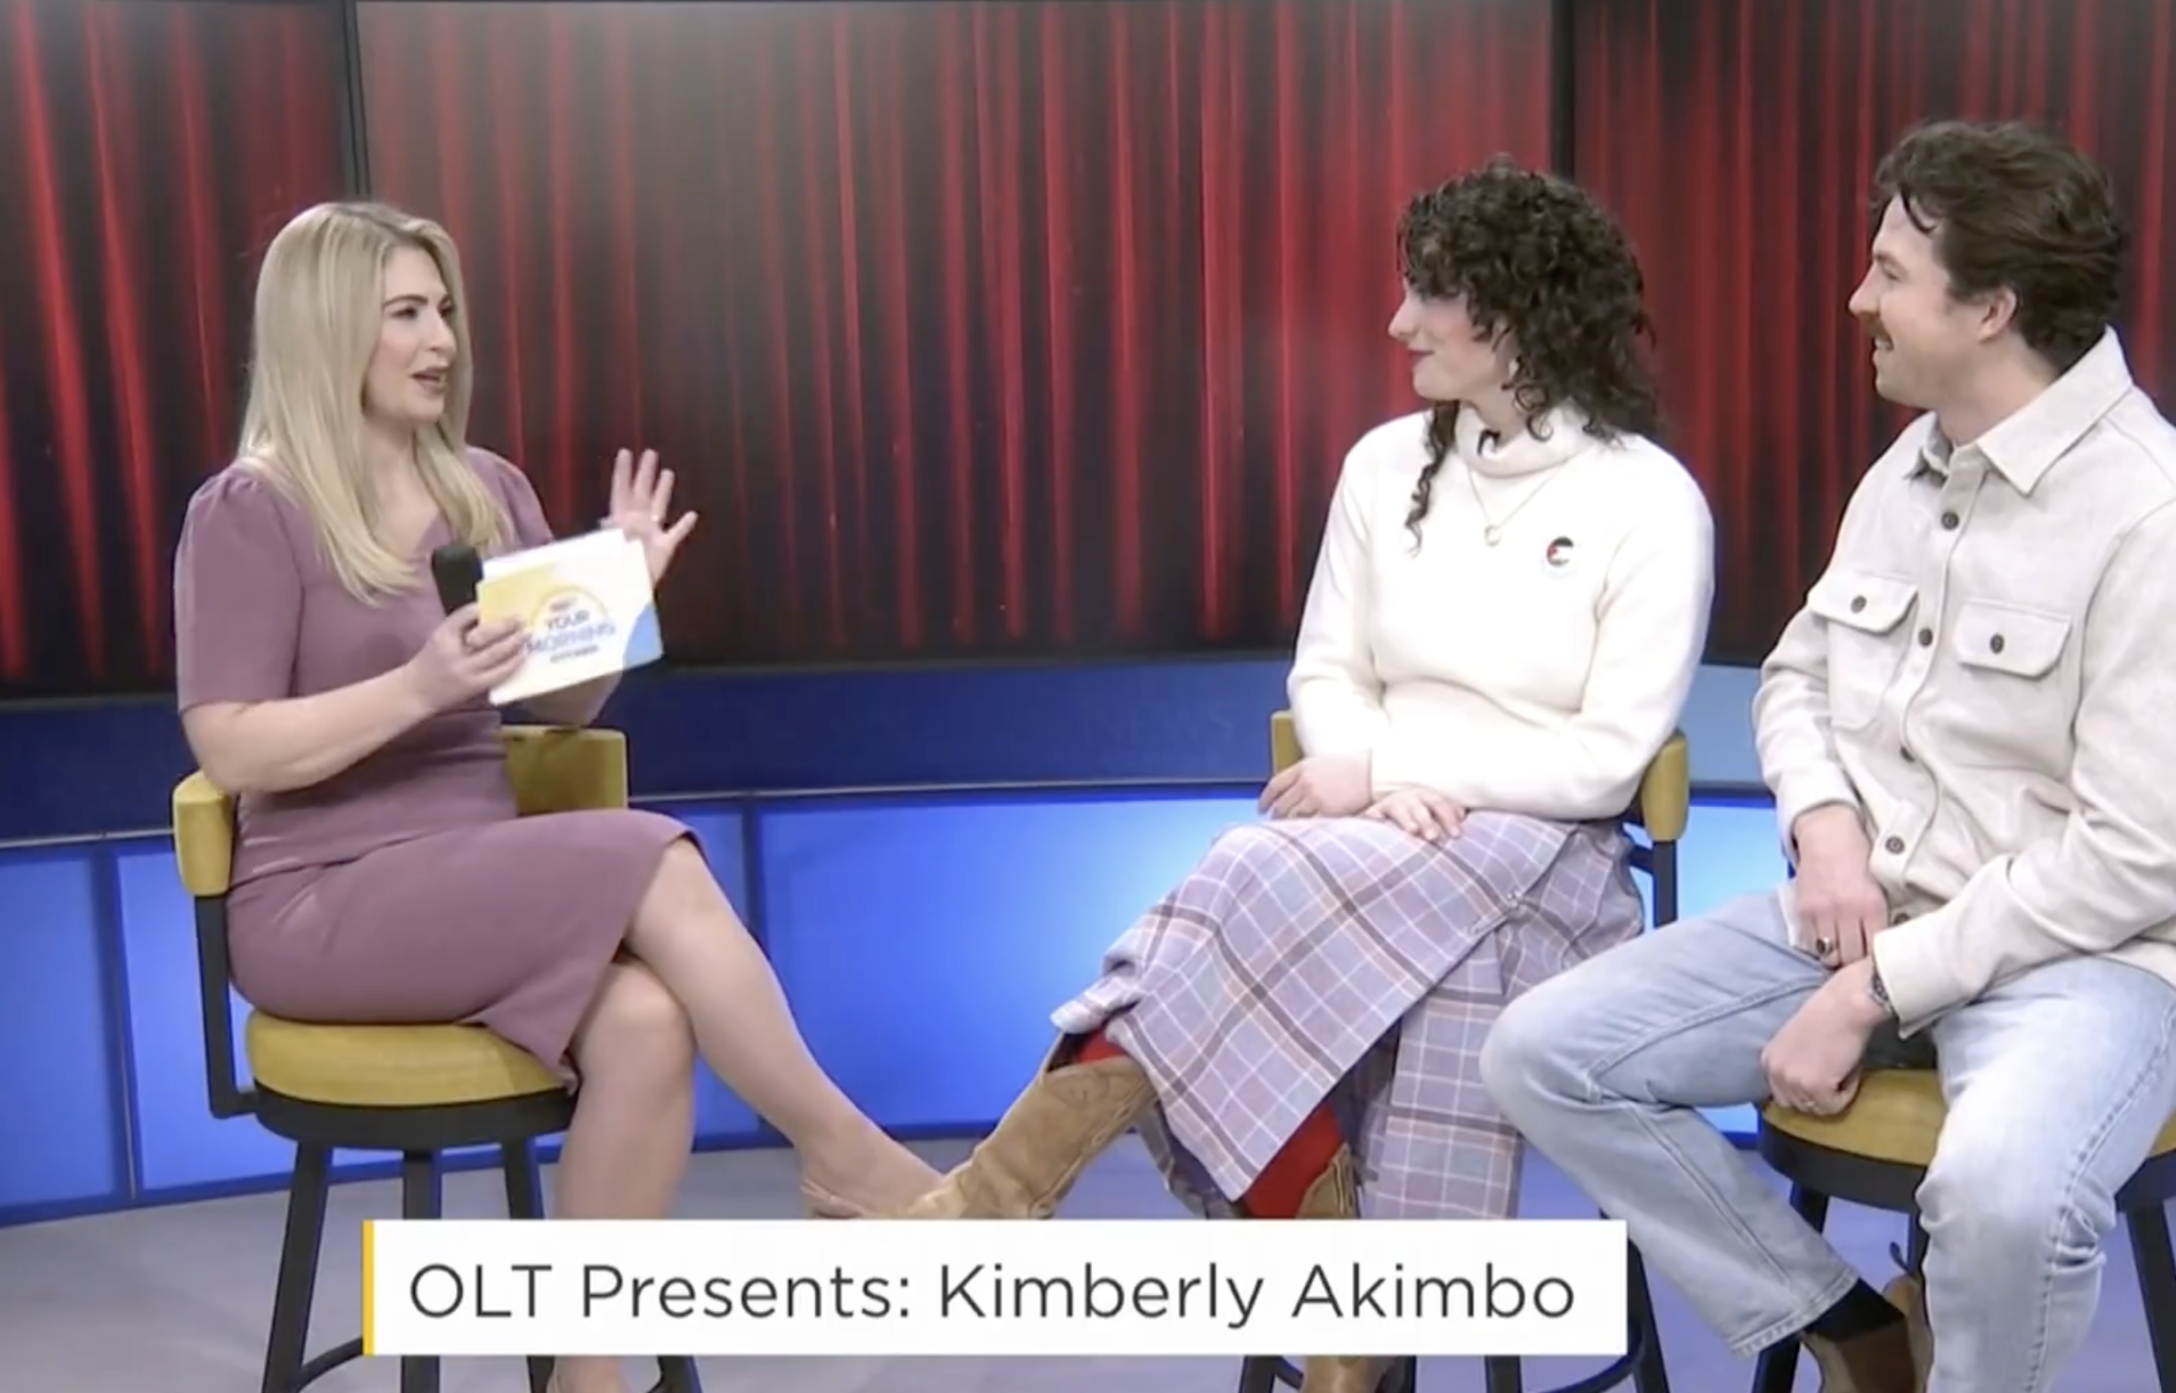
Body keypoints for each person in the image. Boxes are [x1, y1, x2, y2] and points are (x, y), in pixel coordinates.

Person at [884, 157, 1715, 1393]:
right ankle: (1345, 1324)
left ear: (1514, 314)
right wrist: (1369, 781)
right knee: (1308, 898)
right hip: (1364, 841)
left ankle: (1020, 1203)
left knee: (1245, 875)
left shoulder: (1647, 500)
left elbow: (1603, 760)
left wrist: (1385, 766)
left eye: (1428, 296)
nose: (1397, 323)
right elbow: (1324, 667)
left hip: (1550, 863)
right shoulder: (1385, 467)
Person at [1481, 119, 2176, 1393]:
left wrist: (1873, 990)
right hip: (1874, 912)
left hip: (2095, 960)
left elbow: (2131, 864)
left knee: (2004, 1196)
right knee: (1541, 1052)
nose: (1859, 299)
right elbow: (1798, 677)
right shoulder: (1910, 468)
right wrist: (1824, 828)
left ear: (1992, 309)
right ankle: (1853, 1332)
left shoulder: (2173, 526)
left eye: (1891, 274)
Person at [171, 202, 942, 1393]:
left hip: (476, 883)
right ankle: (843, 1156)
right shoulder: (250, 510)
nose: (442, 340)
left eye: (445, 311)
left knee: (648, 1022)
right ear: (326, 330)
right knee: (651, 850)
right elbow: (229, 744)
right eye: (407, 314)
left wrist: (619, 600)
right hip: (319, 900)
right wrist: (418, 685)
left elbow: (557, 708)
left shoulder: (486, 489)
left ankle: (584, 1373)